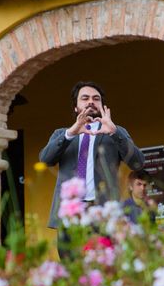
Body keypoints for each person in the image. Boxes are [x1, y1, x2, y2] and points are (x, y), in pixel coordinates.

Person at [39, 81, 145, 257]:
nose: (91, 102)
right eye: (85, 98)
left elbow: (137, 164)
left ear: (102, 105)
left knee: (104, 266)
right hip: (70, 212)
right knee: (71, 267)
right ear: (75, 107)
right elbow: (45, 160)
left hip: (102, 213)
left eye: (96, 99)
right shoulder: (62, 134)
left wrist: (114, 132)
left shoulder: (115, 131)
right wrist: (70, 133)